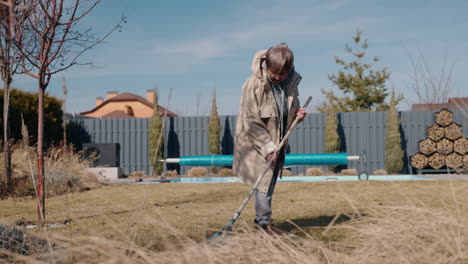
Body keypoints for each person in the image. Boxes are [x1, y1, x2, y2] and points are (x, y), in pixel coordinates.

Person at [233, 43, 306, 233]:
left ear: (288, 70)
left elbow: (287, 114)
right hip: (255, 144)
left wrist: (297, 116)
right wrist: (267, 148)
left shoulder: (290, 82)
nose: (277, 77)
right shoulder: (253, 85)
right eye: (274, 72)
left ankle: (263, 222)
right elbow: (251, 121)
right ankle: (263, 225)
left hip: (279, 143)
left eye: (282, 73)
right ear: (267, 66)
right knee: (263, 184)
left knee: (269, 184)